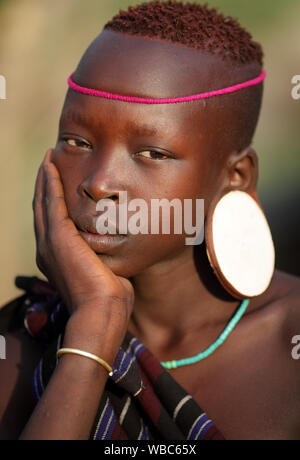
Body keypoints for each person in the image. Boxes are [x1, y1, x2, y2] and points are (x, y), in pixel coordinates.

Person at [0, 0, 300, 441]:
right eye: (77, 141)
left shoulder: (288, 346)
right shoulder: (22, 343)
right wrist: (91, 335)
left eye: (152, 153)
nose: (99, 184)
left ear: (236, 177)